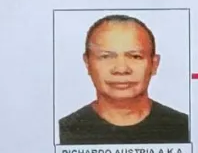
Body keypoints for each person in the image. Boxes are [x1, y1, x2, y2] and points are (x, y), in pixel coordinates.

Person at [59, 14, 190, 145]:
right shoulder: (64, 132)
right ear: (87, 64)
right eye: (106, 56)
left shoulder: (185, 128)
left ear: (154, 64)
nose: (121, 69)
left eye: (135, 56)